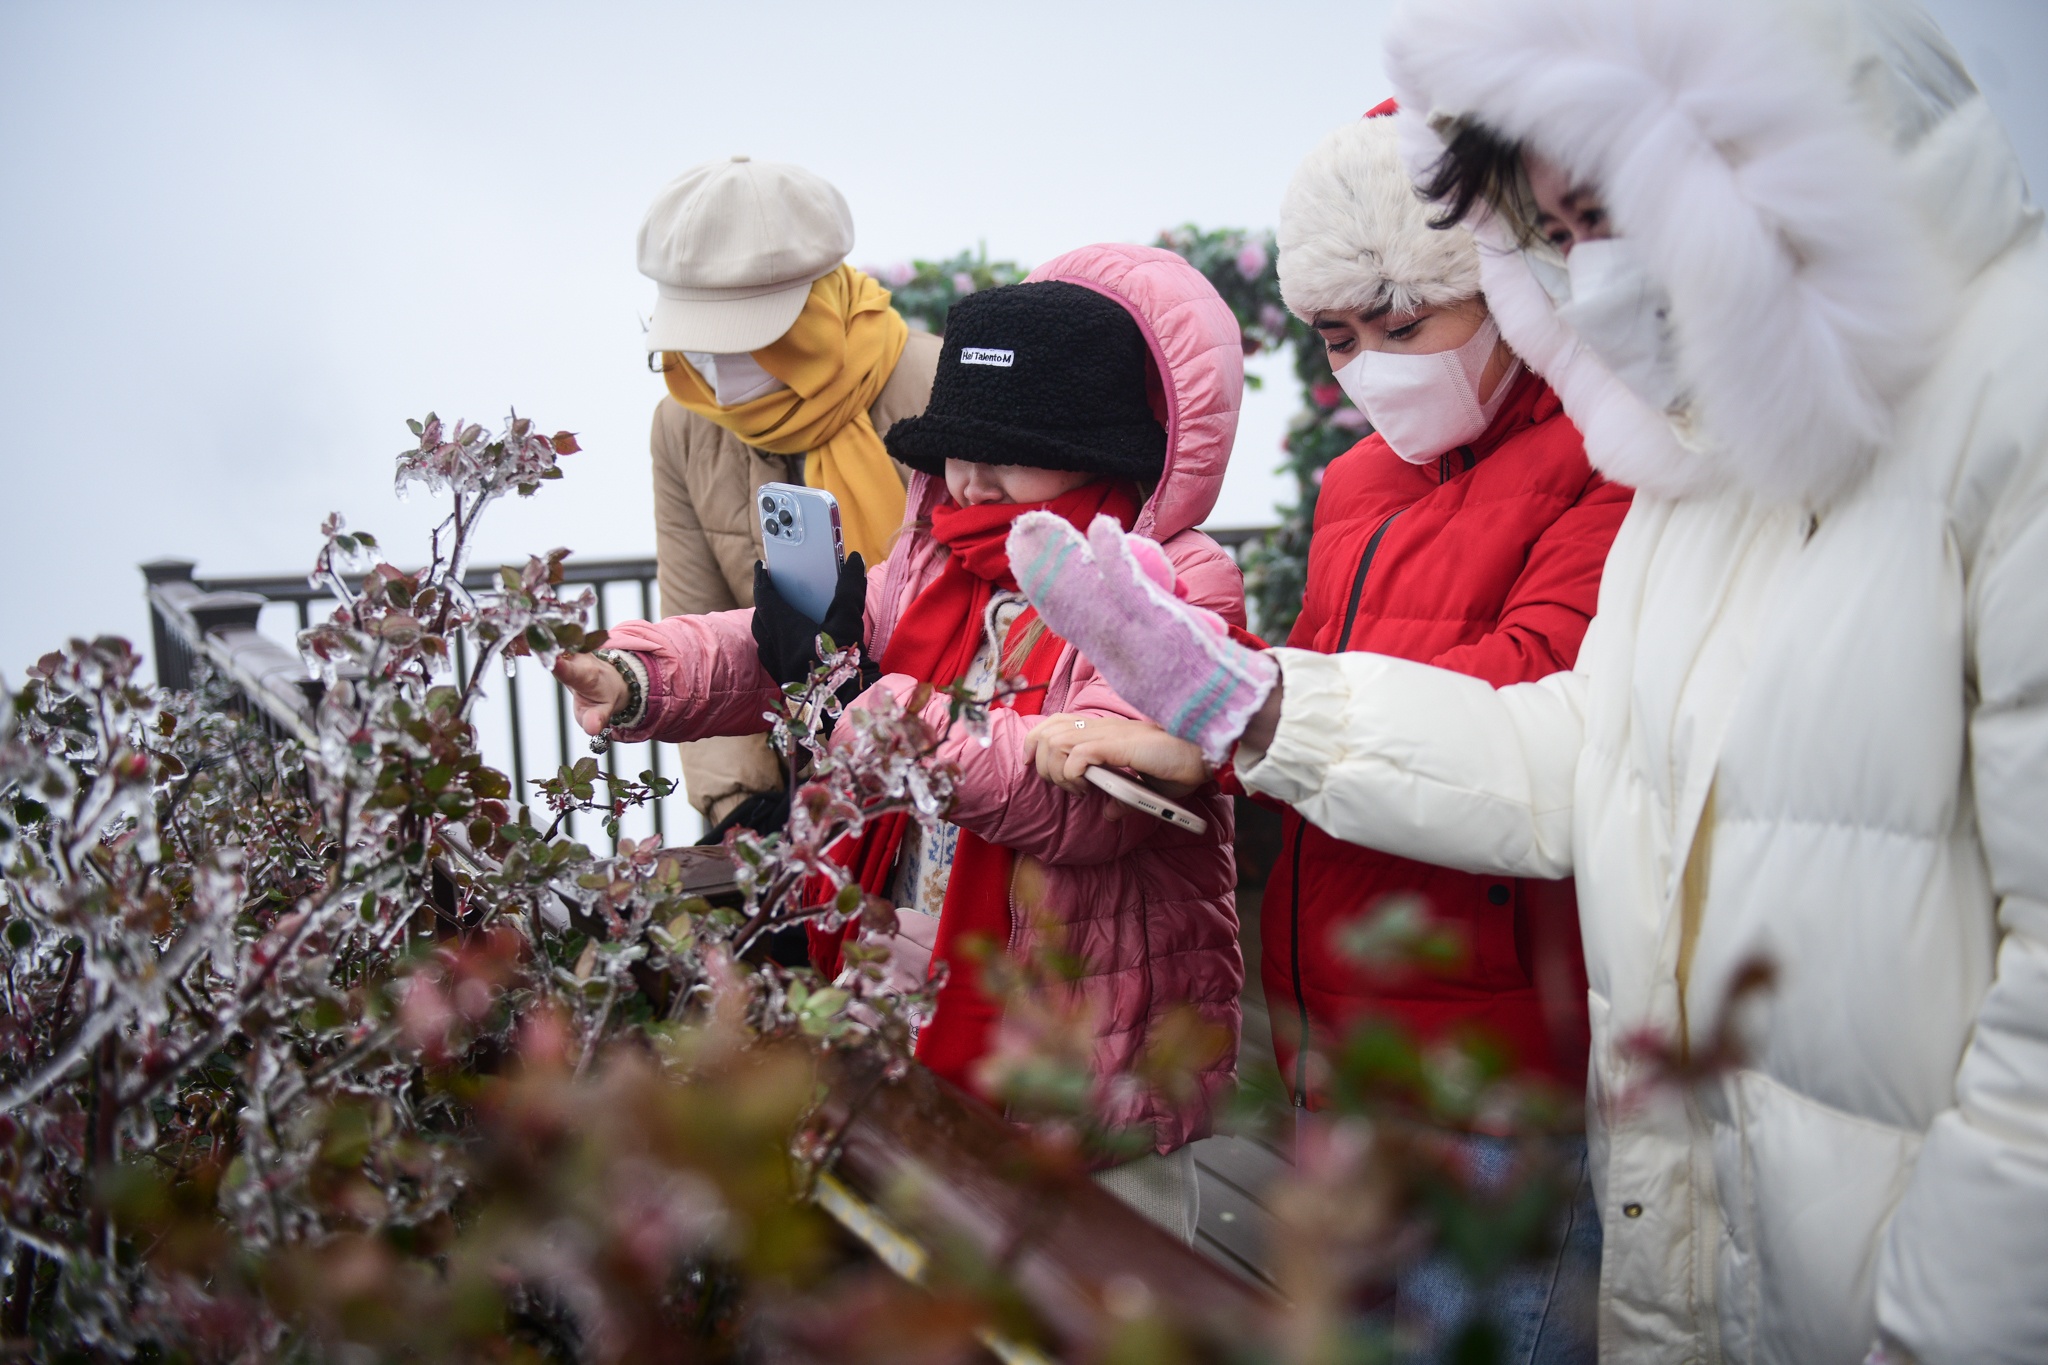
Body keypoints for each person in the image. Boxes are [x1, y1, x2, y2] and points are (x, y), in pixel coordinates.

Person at [1010, 0, 2048, 1359]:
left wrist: (1938, 1329)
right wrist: (1248, 704)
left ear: (1759, 137)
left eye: (1603, 211)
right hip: (1696, 1212)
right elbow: (1585, 754)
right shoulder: (1698, 470)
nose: (1588, 278)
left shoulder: (1996, 404)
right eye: (1551, 237)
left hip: (1754, 1200)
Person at [1032, 109, 1629, 1360]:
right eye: (1337, 336)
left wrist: (1239, 699)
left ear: (1507, 286)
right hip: (1332, 1026)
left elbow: (1530, 693)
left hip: (1494, 1057)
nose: (1370, 366)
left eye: (1402, 323)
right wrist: (1203, 732)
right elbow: (1318, 694)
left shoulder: (1603, 456)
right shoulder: (1357, 482)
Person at [556, 244, 1250, 1243]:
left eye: (1005, 447)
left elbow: (1077, 805)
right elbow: (770, 652)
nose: (968, 475)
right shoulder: (934, 564)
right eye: (952, 446)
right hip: (915, 986)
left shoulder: (1173, 584)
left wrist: (854, 700)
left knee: (1108, 1291)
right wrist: (640, 678)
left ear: (1101, 449)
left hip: (1084, 1045)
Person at [635, 156, 940, 839]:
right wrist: (739, 807)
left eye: (740, 339)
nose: (712, 377)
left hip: (942, 769)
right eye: (693, 343)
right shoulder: (683, 423)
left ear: (814, 307)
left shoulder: (933, 383)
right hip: (792, 787)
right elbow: (695, 609)